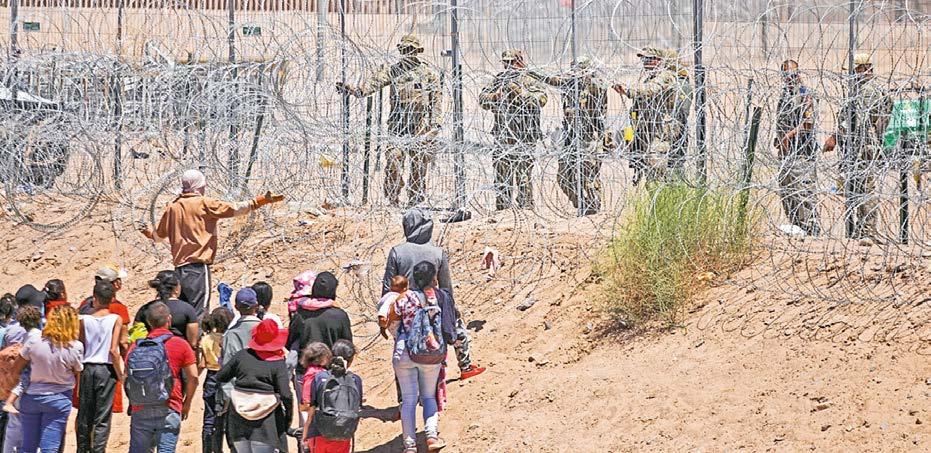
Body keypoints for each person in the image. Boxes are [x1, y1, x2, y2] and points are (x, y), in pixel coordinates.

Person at [139, 169, 285, 315]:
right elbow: (235, 208)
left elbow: (158, 237)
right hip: (198, 269)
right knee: (199, 312)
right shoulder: (204, 203)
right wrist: (262, 200)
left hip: (179, 270)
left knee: (184, 312)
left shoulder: (172, 207)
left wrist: (147, 232)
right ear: (198, 186)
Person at [337, 35, 443, 207]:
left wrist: (435, 125)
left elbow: (436, 99)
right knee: (393, 159)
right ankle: (393, 196)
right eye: (405, 49)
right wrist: (354, 90)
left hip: (419, 124)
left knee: (418, 163)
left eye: (411, 49)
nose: (407, 52)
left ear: (417, 51)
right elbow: (372, 84)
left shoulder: (428, 74)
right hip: (397, 124)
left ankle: (415, 199)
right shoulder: (393, 71)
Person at [382, 208, 484, 380]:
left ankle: (406, 386)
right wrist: (451, 310)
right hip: (433, 303)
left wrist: (388, 313)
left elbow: (388, 287)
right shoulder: (437, 253)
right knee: (458, 329)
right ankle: (465, 366)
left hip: (406, 306)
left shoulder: (397, 252)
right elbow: (446, 287)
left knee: (403, 345)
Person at [823, 52, 893, 240]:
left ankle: (867, 231)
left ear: (864, 69)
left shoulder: (868, 90)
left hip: (863, 146)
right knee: (857, 187)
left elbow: (857, 120)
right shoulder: (861, 89)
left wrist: (835, 137)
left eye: (854, 71)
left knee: (865, 188)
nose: (851, 75)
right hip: (858, 145)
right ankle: (861, 230)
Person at [530, 56, 610, 215]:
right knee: (563, 177)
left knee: (588, 176)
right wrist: (531, 71)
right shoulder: (570, 84)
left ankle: (594, 207)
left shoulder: (596, 84)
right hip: (571, 137)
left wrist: (586, 77)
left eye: (577, 68)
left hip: (590, 136)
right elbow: (552, 80)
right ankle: (582, 204)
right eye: (572, 67)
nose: (573, 71)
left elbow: (600, 87)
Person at [391, 262, 451, 452]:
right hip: (431, 353)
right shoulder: (440, 297)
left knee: (408, 400)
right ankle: (431, 437)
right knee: (429, 397)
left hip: (405, 352)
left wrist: (404, 338)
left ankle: (409, 446)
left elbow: (392, 325)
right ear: (434, 278)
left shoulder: (403, 298)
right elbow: (449, 327)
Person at [479, 49, 548, 210]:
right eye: (506, 63)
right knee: (501, 175)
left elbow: (542, 100)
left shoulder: (530, 79)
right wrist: (495, 96)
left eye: (512, 62)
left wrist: (521, 94)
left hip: (525, 135)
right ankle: (503, 208)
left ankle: (526, 207)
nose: (509, 66)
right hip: (503, 135)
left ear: (520, 61)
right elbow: (482, 99)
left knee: (524, 175)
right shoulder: (499, 80)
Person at [126, 302, 198, 453]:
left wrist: (133, 399)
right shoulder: (180, 344)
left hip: (140, 407)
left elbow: (127, 376)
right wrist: (187, 403)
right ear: (169, 319)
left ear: (149, 322)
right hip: (170, 404)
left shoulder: (136, 346)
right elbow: (193, 377)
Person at [286, 272, 352, 438]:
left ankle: (305, 446)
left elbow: (290, 342)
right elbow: (347, 347)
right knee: (330, 413)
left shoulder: (301, 313)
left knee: (306, 416)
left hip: (304, 373)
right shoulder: (340, 315)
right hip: (332, 375)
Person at [12, 306, 83, 453]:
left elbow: (16, 368)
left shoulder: (34, 341)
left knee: (28, 446)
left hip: (31, 396)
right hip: (59, 398)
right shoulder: (75, 346)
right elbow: (77, 371)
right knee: (50, 447)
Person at [217, 318, 293, 453]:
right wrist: (288, 417)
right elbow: (286, 394)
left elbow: (221, 376)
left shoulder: (241, 356)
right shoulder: (278, 363)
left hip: (238, 418)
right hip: (266, 423)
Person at [614, 47, 679, 184]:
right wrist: (630, 134)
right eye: (643, 59)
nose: (645, 62)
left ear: (658, 60)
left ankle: (664, 196)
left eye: (648, 59)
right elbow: (635, 110)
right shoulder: (648, 80)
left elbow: (650, 90)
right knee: (649, 176)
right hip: (646, 131)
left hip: (660, 130)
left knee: (656, 172)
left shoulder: (666, 77)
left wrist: (628, 90)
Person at [76, 280, 125, 452]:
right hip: (106, 369)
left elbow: (81, 346)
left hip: (87, 367)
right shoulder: (116, 319)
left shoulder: (83, 319)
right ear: (112, 299)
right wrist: (120, 375)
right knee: (102, 416)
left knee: (85, 414)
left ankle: (82, 449)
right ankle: (98, 449)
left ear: (94, 298)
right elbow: (113, 350)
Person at [774, 59, 821, 236]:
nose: (790, 79)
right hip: (786, 153)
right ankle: (798, 229)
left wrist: (788, 136)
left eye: (793, 75)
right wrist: (779, 141)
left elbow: (808, 123)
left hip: (802, 153)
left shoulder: (804, 94)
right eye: (786, 76)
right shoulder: (785, 95)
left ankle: (811, 230)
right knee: (788, 194)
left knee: (804, 193)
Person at [80, 264, 132, 414]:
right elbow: (123, 342)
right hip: (108, 366)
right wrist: (125, 369)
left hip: (84, 366)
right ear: (114, 284)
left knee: (84, 413)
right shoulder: (118, 309)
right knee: (102, 414)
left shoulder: (84, 304)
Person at [216, 288, 264, 452]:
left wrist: (228, 399)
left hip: (240, 397)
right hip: (265, 397)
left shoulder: (231, 334)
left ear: (236, 307)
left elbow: (227, 368)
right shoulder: (265, 329)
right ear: (256, 306)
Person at [304, 339, 360, 453]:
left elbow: (312, 409)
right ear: (350, 360)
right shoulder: (355, 380)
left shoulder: (320, 377)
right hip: (344, 433)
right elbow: (357, 408)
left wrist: (305, 434)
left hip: (319, 433)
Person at [1, 305, 42, 453]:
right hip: (32, 386)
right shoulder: (39, 337)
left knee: (13, 429)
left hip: (19, 385)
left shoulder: (25, 336)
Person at [134, 270, 200, 348]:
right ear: (176, 288)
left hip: (152, 350)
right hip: (179, 350)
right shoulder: (187, 309)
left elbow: (136, 334)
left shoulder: (145, 308)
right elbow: (193, 342)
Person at [200, 308, 233, 453]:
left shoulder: (206, 339)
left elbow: (202, 364)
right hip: (227, 377)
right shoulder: (229, 338)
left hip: (211, 377)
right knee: (229, 418)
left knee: (209, 418)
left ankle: (208, 449)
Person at [664, 48, 692, 178]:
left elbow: (681, 112)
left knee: (675, 167)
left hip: (675, 132)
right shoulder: (670, 81)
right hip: (666, 132)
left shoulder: (681, 83)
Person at [298, 342, 331, 443]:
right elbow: (307, 395)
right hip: (315, 410)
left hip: (312, 408)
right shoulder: (315, 373)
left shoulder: (310, 371)